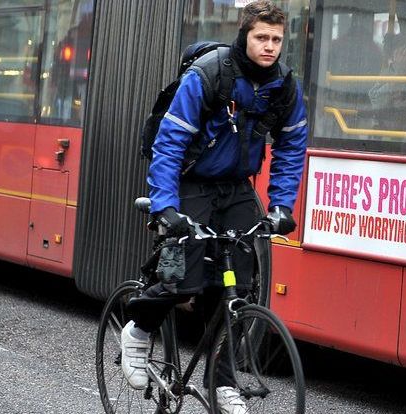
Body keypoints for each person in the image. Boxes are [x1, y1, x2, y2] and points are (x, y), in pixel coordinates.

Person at [120, 2, 308, 413]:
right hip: (192, 181)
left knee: (236, 291)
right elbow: (169, 144)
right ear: (245, 35)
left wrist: (280, 206)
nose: (270, 46)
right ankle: (138, 328)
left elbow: (292, 147)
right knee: (182, 280)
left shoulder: (284, 86)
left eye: (277, 39)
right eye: (261, 37)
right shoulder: (209, 74)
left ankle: (221, 384)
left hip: (235, 187)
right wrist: (166, 206)